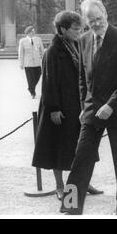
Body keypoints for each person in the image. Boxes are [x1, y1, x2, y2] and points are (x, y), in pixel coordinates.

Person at [60, 0, 117, 215]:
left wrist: (112, 105)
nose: (96, 23)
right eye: (91, 20)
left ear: (106, 14)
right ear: (85, 21)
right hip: (92, 109)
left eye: (99, 19)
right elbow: (83, 78)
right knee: (81, 157)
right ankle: (71, 204)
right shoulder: (83, 40)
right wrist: (85, 105)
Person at [32, 11, 103, 200]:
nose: (79, 31)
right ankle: (60, 185)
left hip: (77, 106)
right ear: (62, 29)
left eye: (80, 28)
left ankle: (83, 181)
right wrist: (53, 108)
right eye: (75, 28)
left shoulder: (75, 45)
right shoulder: (53, 51)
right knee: (59, 147)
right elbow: (48, 82)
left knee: (81, 146)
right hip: (59, 107)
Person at [18, 26, 44, 98]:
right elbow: (21, 53)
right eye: (33, 31)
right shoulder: (22, 41)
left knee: (38, 75)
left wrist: (44, 59)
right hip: (28, 64)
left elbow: (42, 50)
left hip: (37, 63)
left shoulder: (38, 39)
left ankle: (30, 87)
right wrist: (21, 64)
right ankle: (33, 92)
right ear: (28, 32)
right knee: (30, 78)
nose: (34, 32)